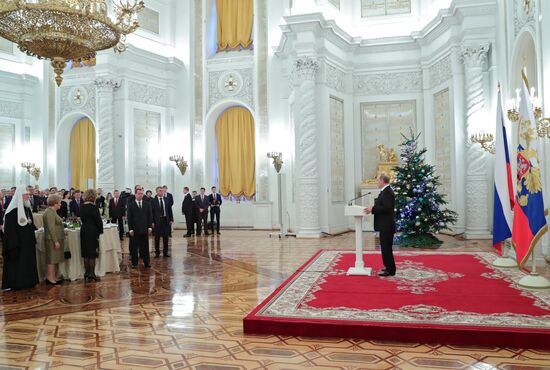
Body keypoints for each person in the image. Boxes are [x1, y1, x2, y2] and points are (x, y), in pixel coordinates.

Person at [1, 187, 38, 291]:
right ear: (19, 196)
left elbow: (30, 224)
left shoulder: (27, 209)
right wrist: (15, 244)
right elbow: (10, 232)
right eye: (25, 195)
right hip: (17, 245)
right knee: (17, 264)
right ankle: (17, 283)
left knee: (28, 263)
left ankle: (29, 281)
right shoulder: (11, 213)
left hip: (28, 244)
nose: (28, 196)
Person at [364, 174, 396, 277]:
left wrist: (372, 209)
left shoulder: (387, 192)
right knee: (385, 247)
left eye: (378, 180)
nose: (377, 182)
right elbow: (382, 205)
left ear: (382, 181)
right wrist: (374, 206)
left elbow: (387, 208)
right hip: (384, 225)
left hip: (386, 225)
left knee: (386, 248)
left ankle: (390, 270)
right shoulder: (385, 191)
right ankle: (389, 267)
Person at [80, 189, 104, 282]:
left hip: (84, 229)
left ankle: (86, 273)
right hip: (92, 230)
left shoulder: (82, 206)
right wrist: (101, 231)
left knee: (85, 253)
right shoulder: (94, 207)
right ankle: (92, 274)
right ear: (93, 196)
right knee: (92, 254)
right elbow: (98, 221)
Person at [43, 194, 66, 285]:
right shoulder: (49, 212)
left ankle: (53, 277)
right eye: (59, 203)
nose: (60, 205)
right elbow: (51, 228)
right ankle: (50, 278)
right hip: (52, 239)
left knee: (54, 259)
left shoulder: (52, 211)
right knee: (51, 260)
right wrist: (55, 241)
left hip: (55, 238)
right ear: (54, 203)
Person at [127, 188, 152, 268]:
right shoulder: (131, 205)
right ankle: (134, 263)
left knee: (145, 247)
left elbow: (149, 216)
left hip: (145, 229)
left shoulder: (147, 204)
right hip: (135, 230)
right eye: (139, 193)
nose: (140, 195)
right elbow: (129, 218)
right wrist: (130, 229)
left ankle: (146, 262)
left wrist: (150, 227)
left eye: (142, 193)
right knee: (134, 248)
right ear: (135, 194)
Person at [151, 186, 173, 257]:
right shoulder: (153, 201)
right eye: (160, 190)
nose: (161, 192)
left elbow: (169, 210)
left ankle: (165, 252)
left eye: (162, 191)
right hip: (157, 221)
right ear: (157, 192)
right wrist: (152, 222)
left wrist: (171, 219)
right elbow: (151, 212)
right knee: (157, 237)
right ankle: (157, 253)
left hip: (165, 220)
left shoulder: (166, 200)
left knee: (166, 237)